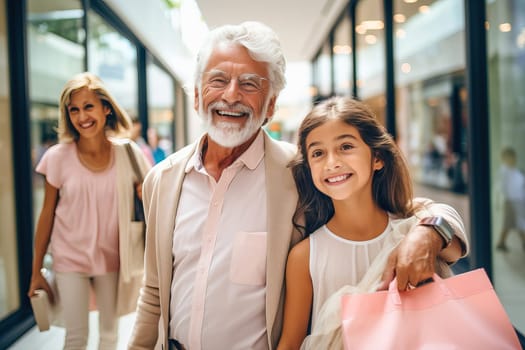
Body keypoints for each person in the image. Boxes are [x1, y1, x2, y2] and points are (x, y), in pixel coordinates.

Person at [128, 21, 467, 350]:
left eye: (249, 84)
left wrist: (429, 233)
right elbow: (155, 292)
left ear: (271, 105)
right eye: (218, 80)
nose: (231, 95)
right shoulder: (164, 179)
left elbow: (410, 209)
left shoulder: (299, 171)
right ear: (197, 94)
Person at [277, 96, 468, 350]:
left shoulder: (413, 227)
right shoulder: (305, 256)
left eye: (345, 146)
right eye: (318, 153)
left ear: (377, 158)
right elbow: (290, 343)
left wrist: (426, 234)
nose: (332, 162)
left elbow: (455, 246)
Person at [27, 72, 151, 350]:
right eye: (74, 110)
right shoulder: (57, 157)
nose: (82, 116)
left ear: (106, 108)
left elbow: (155, 194)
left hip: (112, 257)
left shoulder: (128, 153)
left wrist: (146, 192)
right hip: (70, 257)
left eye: (89, 106)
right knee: (76, 337)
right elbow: (46, 216)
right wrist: (36, 271)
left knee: (109, 335)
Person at [495, 147, 525, 251]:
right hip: (511, 201)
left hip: (518, 201)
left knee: (514, 223)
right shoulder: (505, 171)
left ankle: (501, 242)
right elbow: (502, 188)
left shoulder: (515, 171)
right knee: (517, 222)